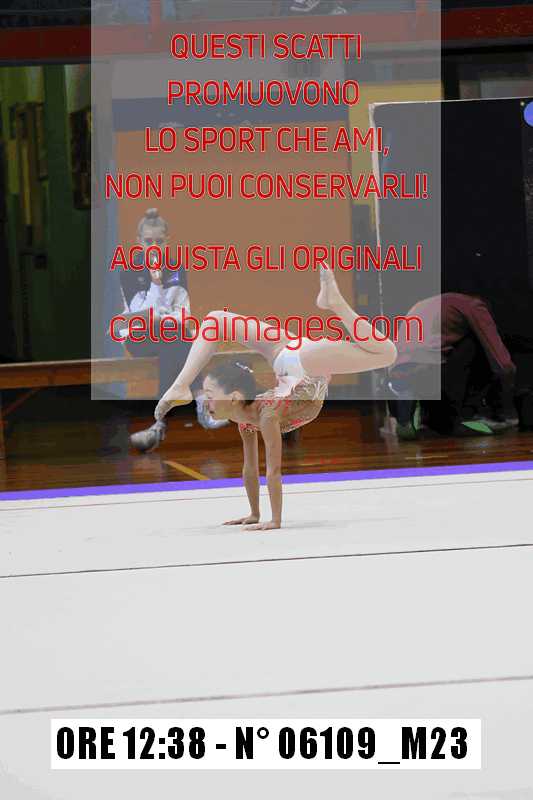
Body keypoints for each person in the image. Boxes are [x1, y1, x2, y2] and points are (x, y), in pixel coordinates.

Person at [149, 265, 396, 529]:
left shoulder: (265, 415)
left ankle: (336, 304)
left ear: (234, 397)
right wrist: (254, 514)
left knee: (387, 353)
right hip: (291, 357)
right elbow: (250, 469)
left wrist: (275, 520)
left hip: (303, 366)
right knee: (215, 319)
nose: (205, 402)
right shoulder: (245, 419)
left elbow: (274, 471)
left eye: (209, 395)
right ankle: (180, 384)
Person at [120, 208, 228, 436]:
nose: (154, 247)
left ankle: (160, 422)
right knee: (178, 338)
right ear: (139, 242)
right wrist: (156, 283)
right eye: (148, 241)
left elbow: (183, 313)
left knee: (173, 340)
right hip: (139, 337)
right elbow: (141, 316)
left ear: (167, 240)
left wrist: (165, 318)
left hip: (170, 335)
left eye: (159, 241)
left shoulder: (176, 268)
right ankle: (201, 404)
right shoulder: (129, 271)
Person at [389, 292, 516, 439]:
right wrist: (507, 394)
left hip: (398, 372)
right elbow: (502, 361)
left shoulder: (423, 304)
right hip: (431, 372)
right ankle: (468, 416)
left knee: (439, 350)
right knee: (476, 343)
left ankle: (424, 417)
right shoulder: (474, 305)